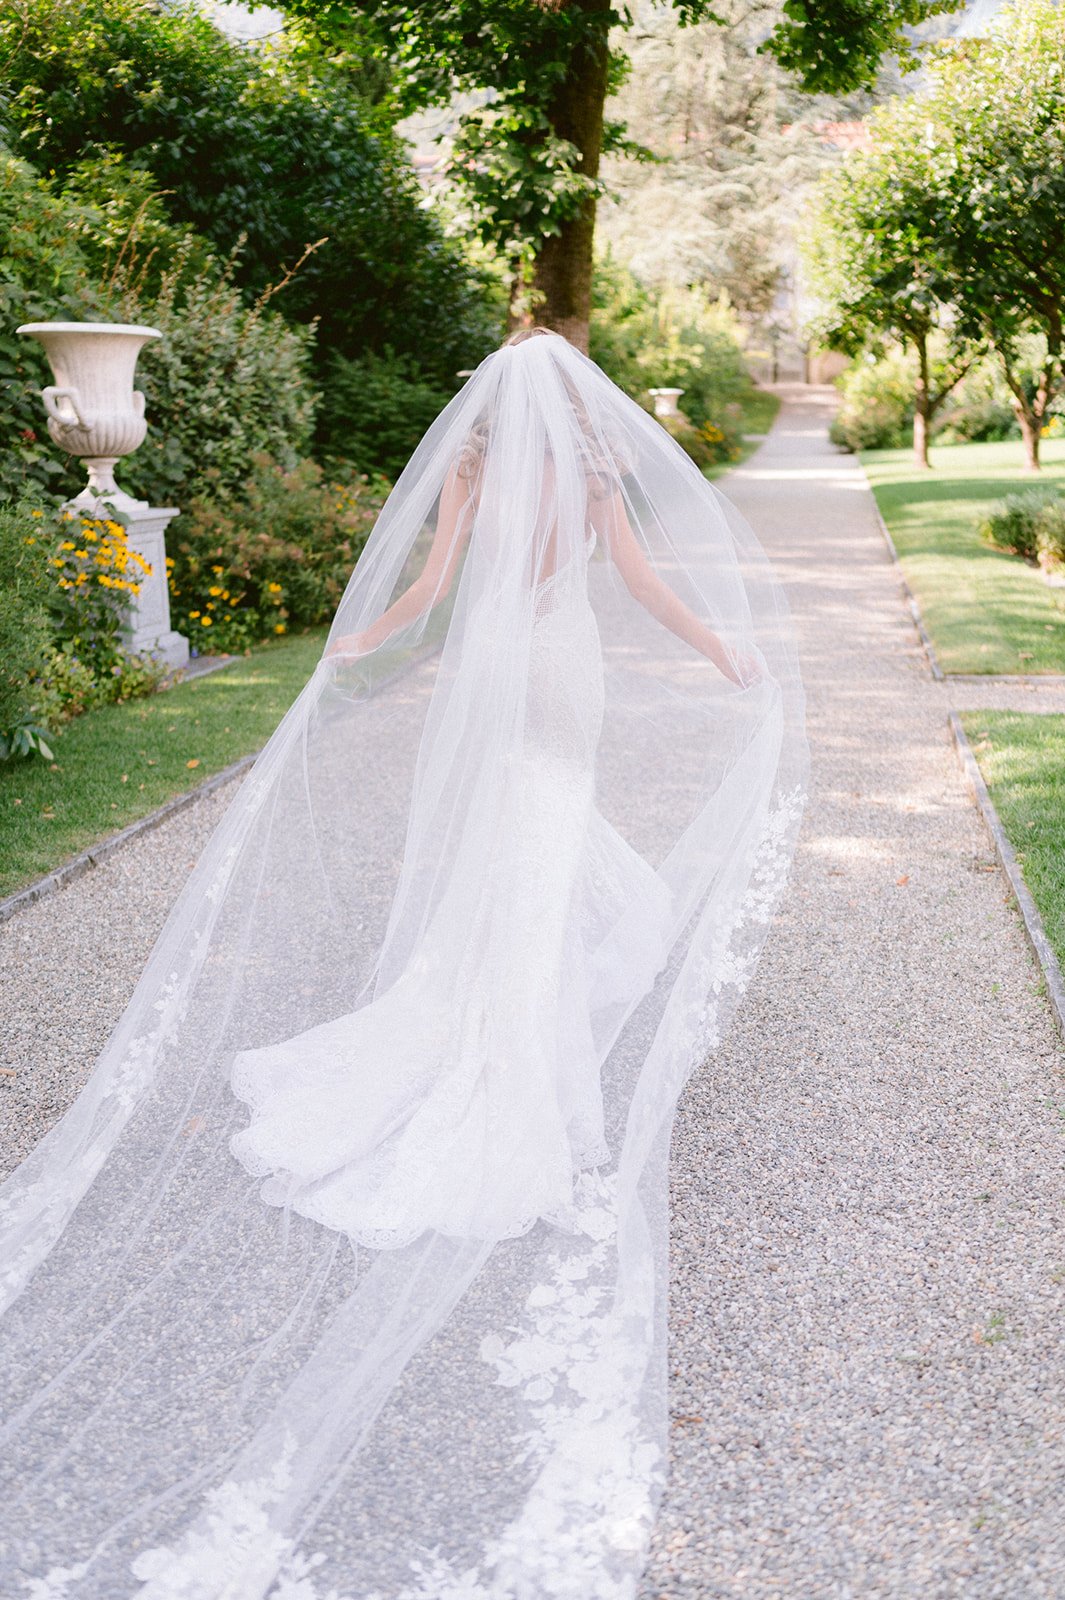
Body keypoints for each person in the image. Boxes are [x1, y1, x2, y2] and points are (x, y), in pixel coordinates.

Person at [0, 327, 806, 1600]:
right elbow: (646, 586)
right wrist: (720, 648)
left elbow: (434, 589)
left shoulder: (481, 471)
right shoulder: (595, 481)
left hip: (497, 677)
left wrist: (356, 640)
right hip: (563, 674)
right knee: (545, 844)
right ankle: (512, 1052)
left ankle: (489, 1022)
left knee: (511, 848)